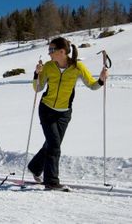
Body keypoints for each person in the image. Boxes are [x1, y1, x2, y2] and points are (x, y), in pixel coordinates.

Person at [28, 37, 108, 190]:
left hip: (64, 113)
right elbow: (37, 89)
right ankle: (51, 182)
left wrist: (101, 80)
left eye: (52, 50)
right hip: (46, 110)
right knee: (54, 145)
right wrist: (36, 74)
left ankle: (35, 166)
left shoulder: (77, 67)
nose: (49, 53)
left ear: (62, 52)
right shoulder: (48, 66)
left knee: (52, 143)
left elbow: (92, 85)